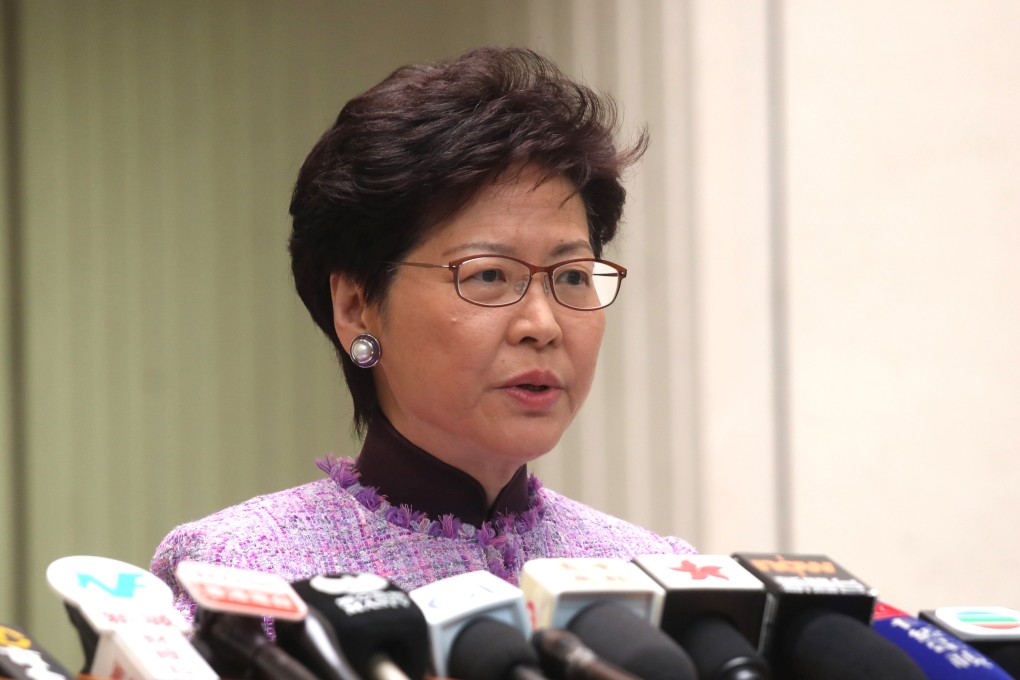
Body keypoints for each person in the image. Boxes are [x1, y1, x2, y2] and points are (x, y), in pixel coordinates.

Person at [151, 46, 694, 620]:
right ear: (357, 307)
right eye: (488, 274)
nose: (543, 324)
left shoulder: (654, 578)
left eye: (572, 276)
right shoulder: (242, 578)